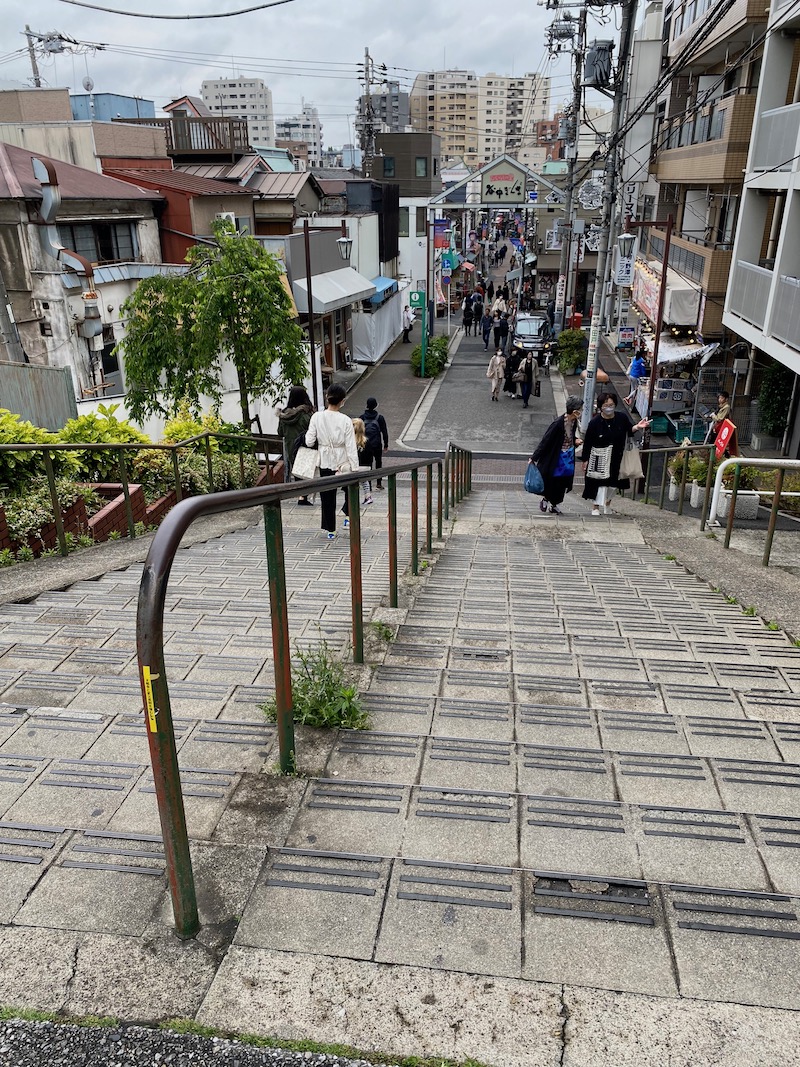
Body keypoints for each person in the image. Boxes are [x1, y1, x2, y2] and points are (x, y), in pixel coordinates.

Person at [580, 391, 650, 516]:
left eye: (611, 405)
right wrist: (585, 460)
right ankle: (595, 507)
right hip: (599, 457)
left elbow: (630, 429)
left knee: (613, 484)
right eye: (606, 405)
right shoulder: (595, 423)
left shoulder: (621, 418)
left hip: (618, 456)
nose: (609, 408)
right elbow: (588, 442)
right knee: (600, 483)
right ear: (600, 407)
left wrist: (638, 426)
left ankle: (608, 504)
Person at [304, 383, 359, 539]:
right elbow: (350, 446)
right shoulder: (346, 420)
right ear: (342, 401)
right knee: (348, 491)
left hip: (325, 460)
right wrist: (354, 467)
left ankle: (330, 530)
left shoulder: (316, 417)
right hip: (342, 462)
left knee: (327, 496)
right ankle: (349, 519)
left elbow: (309, 441)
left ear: (327, 398)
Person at [530, 395, 584, 514]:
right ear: (574, 411)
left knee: (563, 481)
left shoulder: (574, 421)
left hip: (567, 456)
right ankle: (546, 499)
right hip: (556, 457)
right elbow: (546, 440)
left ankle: (554, 504)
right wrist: (534, 457)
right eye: (580, 409)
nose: (582, 411)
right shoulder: (558, 424)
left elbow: (570, 436)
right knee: (553, 480)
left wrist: (575, 440)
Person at [277, 385, 314, 506]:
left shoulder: (284, 415)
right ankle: (303, 496)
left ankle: (301, 495)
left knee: (296, 470)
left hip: (290, 446)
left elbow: (280, 432)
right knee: (306, 471)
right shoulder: (306, 414)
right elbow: (312, 430)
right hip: (304, 446)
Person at [341, 418, 374, 528]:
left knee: (348, 490)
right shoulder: (366, 441)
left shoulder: (349, 442)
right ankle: (367, 495)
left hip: (353, 469)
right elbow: (370, 456)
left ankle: (348, 515)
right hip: (365, 468)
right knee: (361, 483)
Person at [361, 397, 389, 489]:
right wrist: (386, 445)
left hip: (365, 444)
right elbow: (384, 432)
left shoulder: (362, 417)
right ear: (376, 406)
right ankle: (379, 483)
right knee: (378, 463)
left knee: (368, 464)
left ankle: (368, 484)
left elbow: (358, 432)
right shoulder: (379, 418)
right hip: (377, 444)